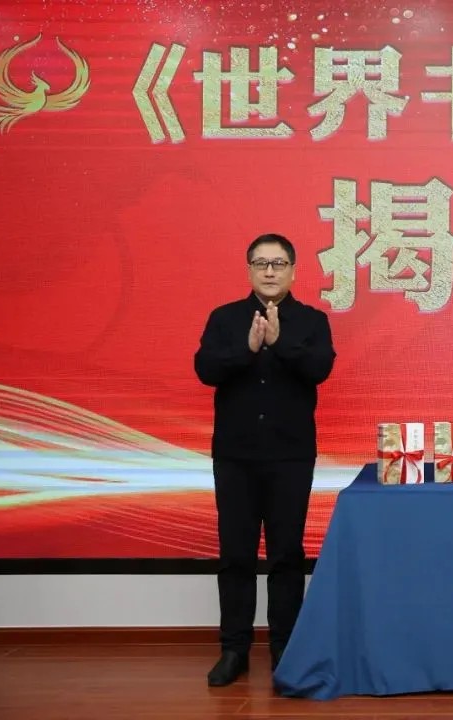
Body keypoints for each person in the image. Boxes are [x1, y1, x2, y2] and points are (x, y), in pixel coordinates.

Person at [195, 233, 336, 687]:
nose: (270, 271)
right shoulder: (225, 318)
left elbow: (320, 369)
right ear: (249, 270)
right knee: (235, 555)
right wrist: (248, 349)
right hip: (235, 457)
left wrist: (281, 343)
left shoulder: (312, 321)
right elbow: (205, 369)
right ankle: (234, 649)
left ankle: (285, 648)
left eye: (278, 263)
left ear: (293, 270)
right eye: (261, 263)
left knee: (286, 555)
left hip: (290, 457)